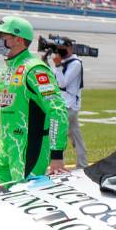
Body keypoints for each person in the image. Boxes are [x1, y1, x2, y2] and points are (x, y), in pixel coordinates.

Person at [0, 16, 68, 183]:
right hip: (7, 147)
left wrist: (56, 154)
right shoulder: (8, 67)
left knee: (25, 203)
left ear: (18, 39)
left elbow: (57, 111)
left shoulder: (35, 69)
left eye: (1, 35)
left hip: (28, 148)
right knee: (3, 202)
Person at [48, 36, 89, 166]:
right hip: (64, 103)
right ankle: (82, 165)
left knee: (57, 135)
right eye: (58, 49)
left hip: (69, 105)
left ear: (70, 48)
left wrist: (58, 65)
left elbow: (62, 83)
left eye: (62, 49)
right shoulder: (63, 62)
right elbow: (53, 78)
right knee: (75, 136)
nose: (60, 51)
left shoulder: (75, 63)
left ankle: (58, 165)